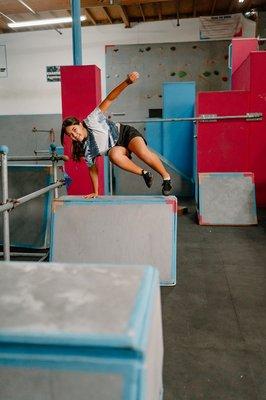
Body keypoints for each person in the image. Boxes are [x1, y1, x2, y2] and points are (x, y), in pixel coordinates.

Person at [61, 71, 172, 198]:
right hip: (115, 148)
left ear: (80, 124)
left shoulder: (92, 119)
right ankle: (145, 173)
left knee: (143, 153)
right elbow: (93, 170)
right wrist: (96, 192)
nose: (74, 135)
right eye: (70, 135)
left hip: (124, 133)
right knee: (114, 156)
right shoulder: (85, 149)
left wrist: (127, 82)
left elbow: (109, 99)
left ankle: (166, 178)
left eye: (74, 130)